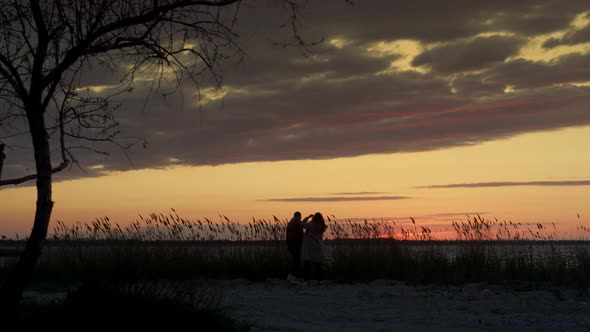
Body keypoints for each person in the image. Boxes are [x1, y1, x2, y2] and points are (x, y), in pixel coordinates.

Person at [301, 212, 327, 283]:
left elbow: (301, 224)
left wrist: (307, 217)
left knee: (307, 263)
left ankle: (306, 279)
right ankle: (319, 279)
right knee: (318, 263)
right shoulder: (322, 226)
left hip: (310, 246)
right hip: (318, 246)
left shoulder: (310, 225)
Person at [285, 211, 308, 282]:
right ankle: (292, 276)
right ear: (297, 217)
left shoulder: (291, 223)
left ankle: (292, 276)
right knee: (296, 261)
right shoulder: (295, 223)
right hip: (296, 245)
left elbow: (301, 223)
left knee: (295, 261)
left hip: (292, 245)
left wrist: (307, 218)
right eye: (299, 218)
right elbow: (302, 224)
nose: (300, 219)